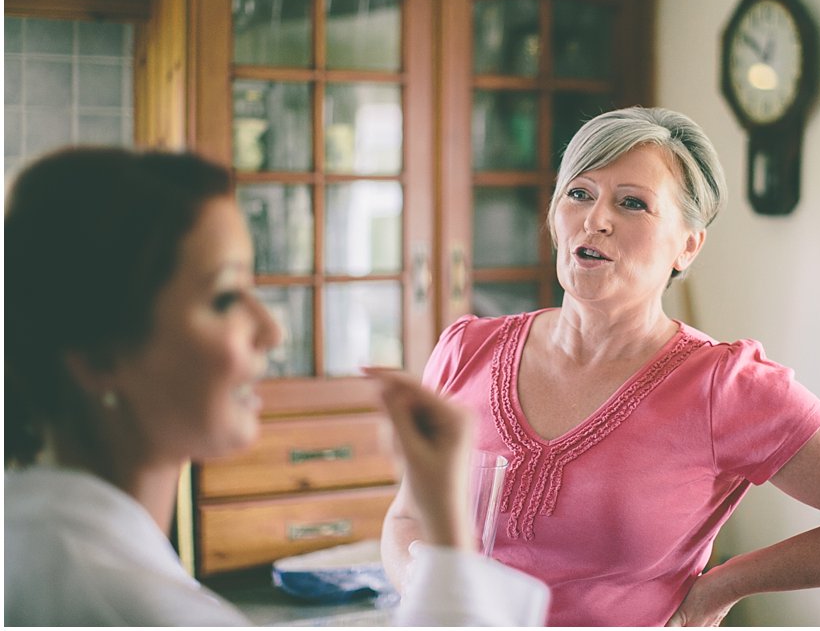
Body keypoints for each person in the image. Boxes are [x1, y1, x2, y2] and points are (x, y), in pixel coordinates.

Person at [382, 107, 820, 626]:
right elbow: (407, 517)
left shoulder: (723, 386)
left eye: (632, 203)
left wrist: (723, 585)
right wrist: (424, 587)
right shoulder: (465, 351)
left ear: (688, 246)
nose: (596, 219)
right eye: (579, 193)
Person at [4, 146, 549, 627]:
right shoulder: (130, 608)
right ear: (100, 355)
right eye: (224, 298)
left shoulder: (35, 538)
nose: (271, 330)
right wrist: (448, 529)